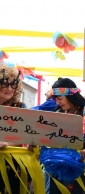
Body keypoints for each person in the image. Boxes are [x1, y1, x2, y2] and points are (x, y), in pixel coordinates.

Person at [44, 77, 85, 193]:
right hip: (56, 162)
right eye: (55, 98)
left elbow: (84, 133)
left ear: (71, 95)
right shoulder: (58, 112)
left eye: (60, 97)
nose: (57, 102)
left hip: (79, 163)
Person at [0, 63, 29, 194]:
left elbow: (28, 136)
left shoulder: (20, 107)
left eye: (14, 84)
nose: (10, 88)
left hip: (12, 165)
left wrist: (7, 143)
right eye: (5, 84)